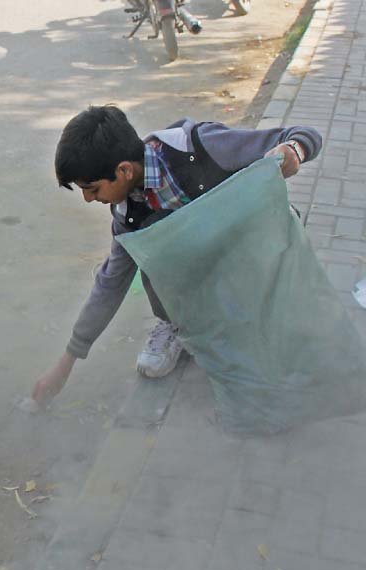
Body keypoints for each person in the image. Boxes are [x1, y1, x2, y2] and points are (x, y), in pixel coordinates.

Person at [31, 105, 321, 408]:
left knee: (275, 353)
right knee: (148, 245)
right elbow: (110, 283)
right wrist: (67, 362)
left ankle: (260, 310)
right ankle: (175, 324)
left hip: (253, 247)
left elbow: (306, 135)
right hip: (206, 256)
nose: (89, 199)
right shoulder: (128, 215)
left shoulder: (200, 147)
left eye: (91, 188)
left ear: (124, 171)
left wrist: (293, 151)